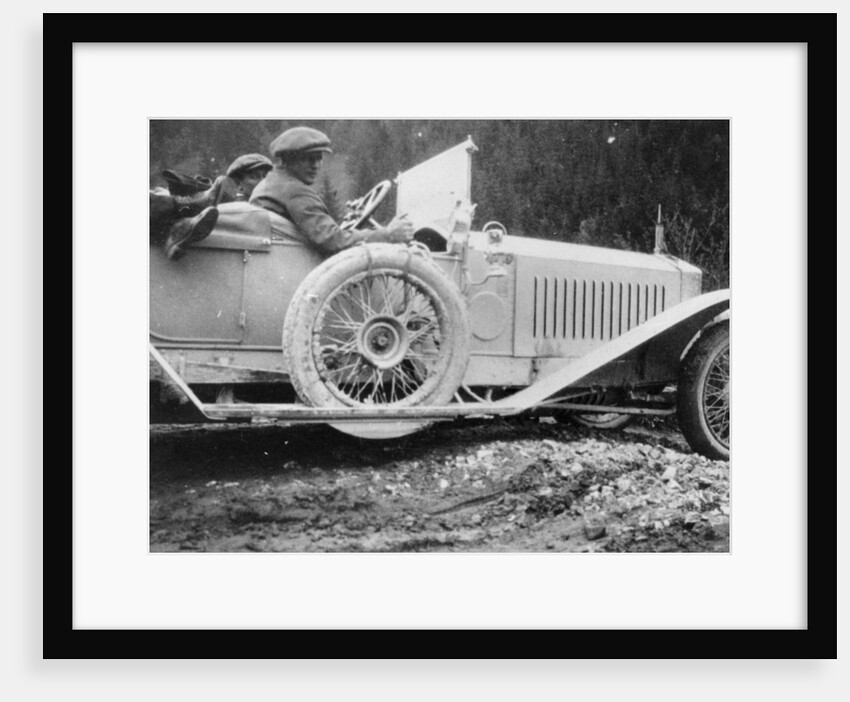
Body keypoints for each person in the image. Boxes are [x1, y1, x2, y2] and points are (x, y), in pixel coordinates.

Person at [250, 126, 413, 254]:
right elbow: (332, 240)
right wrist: (387, 234)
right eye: (308, 159)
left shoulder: (272, 182)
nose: (316, 165)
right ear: (289, 160)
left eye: (319, 158)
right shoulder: (293, 190)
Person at [149, 154, 272, 260]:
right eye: (255, 177)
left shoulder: (256, 208)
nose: (263, 182)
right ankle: (186, 212)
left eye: (266, 177)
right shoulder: (236, 206)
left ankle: (187, 211)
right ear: (239, 185)